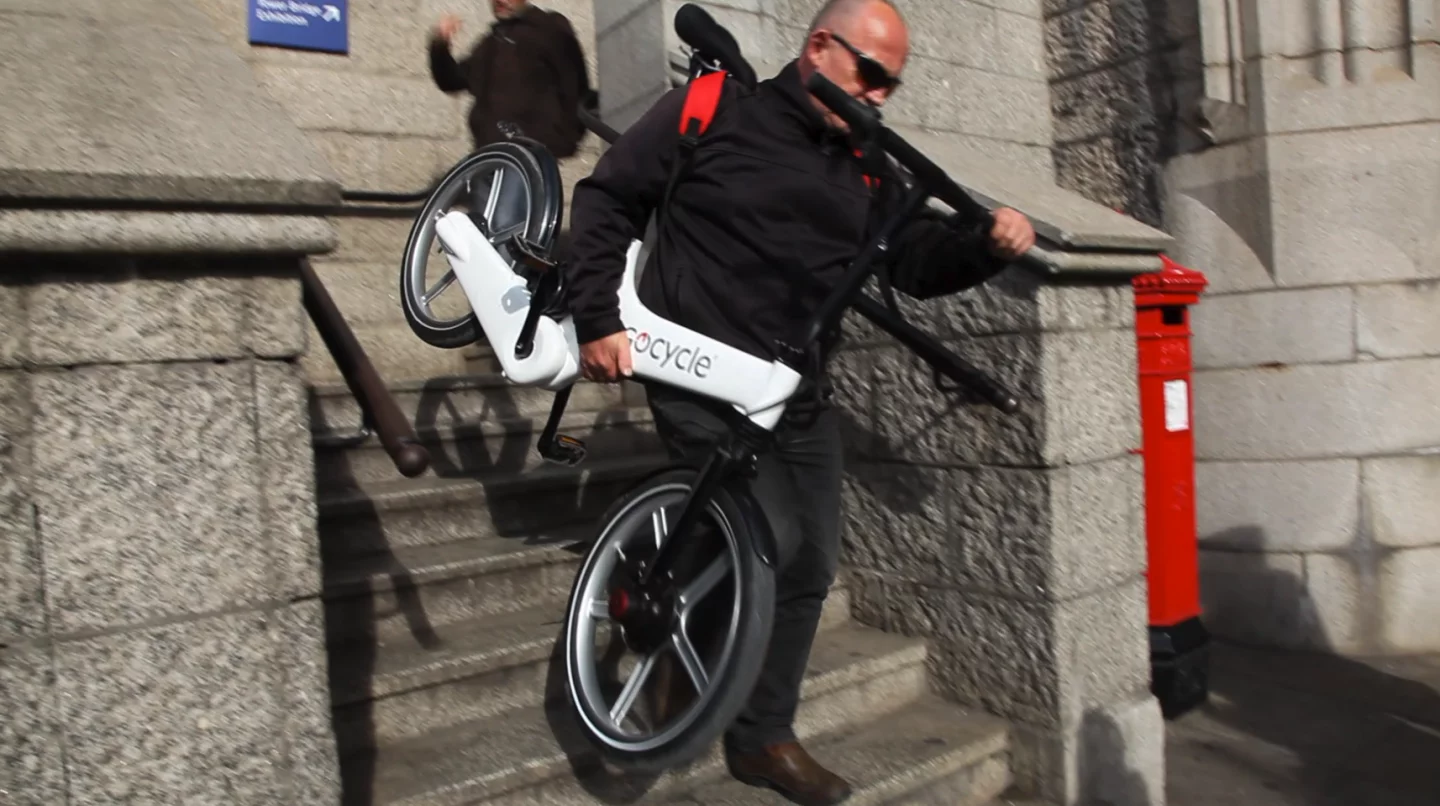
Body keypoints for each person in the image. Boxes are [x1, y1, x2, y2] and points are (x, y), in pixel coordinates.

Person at [565, 1, 1036, 804]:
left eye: (895, 83)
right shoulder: (714, 110)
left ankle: (762, 737)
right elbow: (608, 199)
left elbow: (914, 265)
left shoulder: (868, 163)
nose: (882, 95)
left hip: (795, 385)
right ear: (821, 47)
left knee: (812, 558)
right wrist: (600, 319)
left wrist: (985, 247)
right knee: (767, 535)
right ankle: (680, 652)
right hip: (697, 361)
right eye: (873, 74)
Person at [428, 0, 594, 159]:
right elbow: (450, 80)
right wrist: (440, 43)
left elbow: (576, 84)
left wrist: (561, 140)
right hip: (489, 154)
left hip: (531, 155)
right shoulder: (489, 44)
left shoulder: (549, 30)